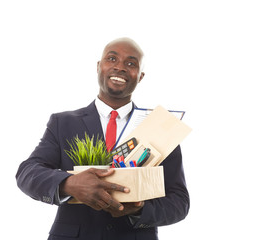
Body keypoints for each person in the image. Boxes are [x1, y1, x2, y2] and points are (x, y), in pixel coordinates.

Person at [16, 37, 189, 240]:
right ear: (99, 66)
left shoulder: (160, 127)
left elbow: (179, 202)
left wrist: (138, 210)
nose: (120, 67)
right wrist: (69, 184)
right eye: (112, 59)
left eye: (131, 63)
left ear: (140, 76)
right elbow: (28, 173)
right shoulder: (63, 123)